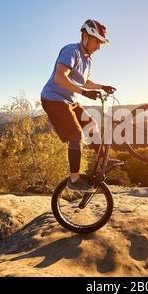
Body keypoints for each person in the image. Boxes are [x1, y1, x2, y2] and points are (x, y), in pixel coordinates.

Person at [40, 19, 116, 190]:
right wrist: (84, 93)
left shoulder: (87, 59)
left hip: (70, 101)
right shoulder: (71, 51)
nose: (98, 47)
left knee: (91, 124)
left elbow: (85, 81)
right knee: (76, 136)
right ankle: (74, 180)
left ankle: (102, 157)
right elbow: (60, 77)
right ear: (85, 36)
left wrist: (102, 86)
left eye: (100, 43)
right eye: (97, 41)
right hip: (54, 99)